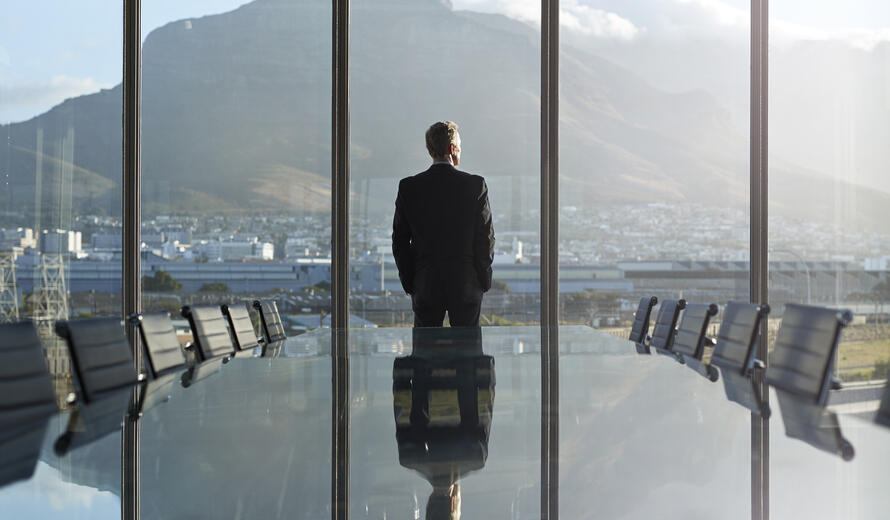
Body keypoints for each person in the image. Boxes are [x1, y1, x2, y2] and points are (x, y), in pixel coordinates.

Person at [392, 121, 495, 327]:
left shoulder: (409, 187)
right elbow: (485, 239)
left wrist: (411, 282)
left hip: (425, 284)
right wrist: (483, 281)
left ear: (430, 149)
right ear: (452, 149)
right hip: (466, 284)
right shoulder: (475, 186)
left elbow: (400, 242)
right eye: (459, 146)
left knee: (425, 353)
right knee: (468, 353)